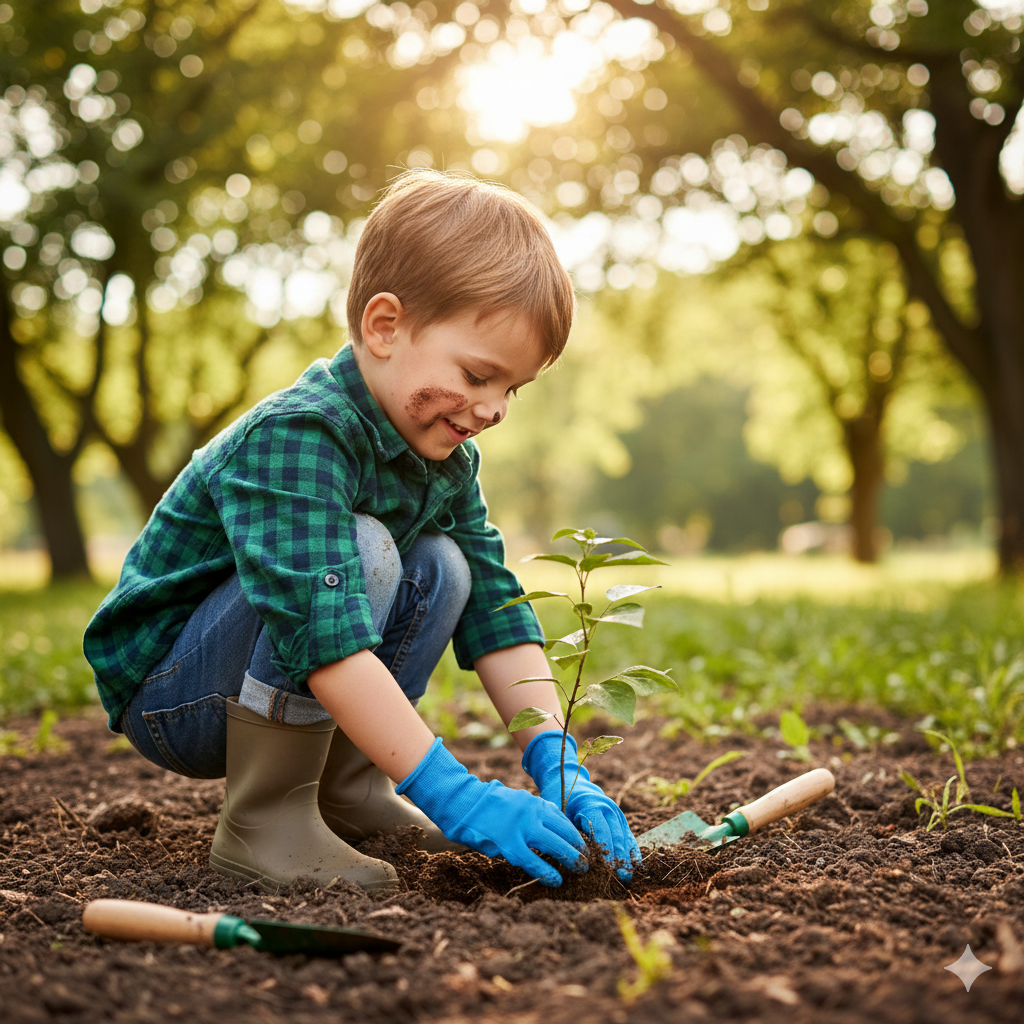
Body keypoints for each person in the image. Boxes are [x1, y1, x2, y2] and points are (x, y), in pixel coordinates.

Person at [84, 169, 641, 894]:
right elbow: (320, 631)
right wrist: (452, 790)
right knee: (362, 551)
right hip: (174, 694)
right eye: (478, 374)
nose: (494, 407)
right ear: (384, 326)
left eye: (512, 388)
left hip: (264, 665)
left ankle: (344, 790)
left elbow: (497, 611)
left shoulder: (443, 457)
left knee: (447, 566)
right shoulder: (299, 435)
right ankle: (266, 817)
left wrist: (555, 759)